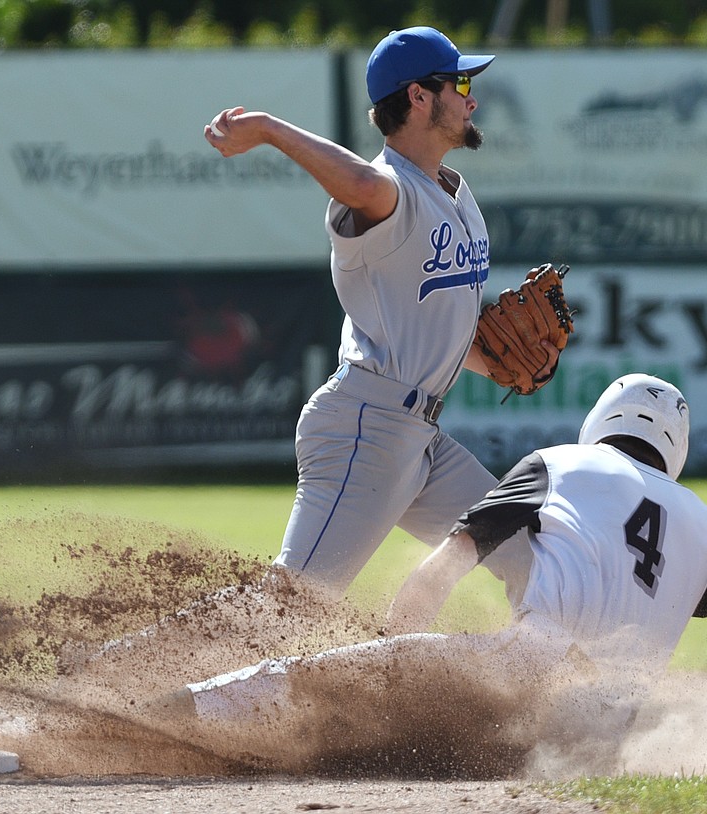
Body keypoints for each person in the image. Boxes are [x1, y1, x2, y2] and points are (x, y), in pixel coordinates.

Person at [162, 374, 707, 773]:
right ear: (675, 451)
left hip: (528, 671)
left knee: (320, 683)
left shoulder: (561, 462)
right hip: (599, 737)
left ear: (601, 421)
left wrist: (390, 657)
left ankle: (168, 716)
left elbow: (441, 571)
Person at [203, 26, 555, 601]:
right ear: (419, 97)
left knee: (530, 558)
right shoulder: (387, 190)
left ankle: (544, 689)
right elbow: (364, 184)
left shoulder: (454, 193)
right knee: (290, 606)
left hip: (420, 437)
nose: (472, 97)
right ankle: (110, 675)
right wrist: (267, 128)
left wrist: (496, 366)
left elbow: (429, 322)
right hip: (366, 427)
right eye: (460, 81)